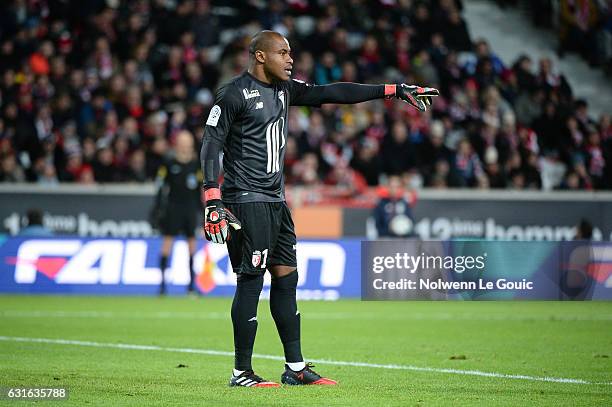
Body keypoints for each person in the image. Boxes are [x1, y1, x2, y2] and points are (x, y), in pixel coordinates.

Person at [200, 30, 438, 388]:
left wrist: (392, 90)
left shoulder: (285, 89)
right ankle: (241, 372)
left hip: (277, 201)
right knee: (250, 280)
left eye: (291, 52)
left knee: (287, 278)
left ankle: (295, 368)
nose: (290, 59)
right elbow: (211, 142)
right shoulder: (233, 93)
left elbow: (331, 93)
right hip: (245, 200)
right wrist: (212, 198)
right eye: (283, 52)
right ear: (260, 56)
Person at [153, 130, 202, 295]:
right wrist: (158, 208)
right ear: (177, 143)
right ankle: (162, 285)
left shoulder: (197, 163)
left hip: (190, 208)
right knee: (167, 243)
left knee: (192, 246)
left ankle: (191, 285)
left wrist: (202, 212)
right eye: (182, 141)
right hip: (173, 208)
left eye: (187, 141)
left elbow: (199, 190)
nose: (185, 144)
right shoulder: (168, 162)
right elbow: (161, 187)